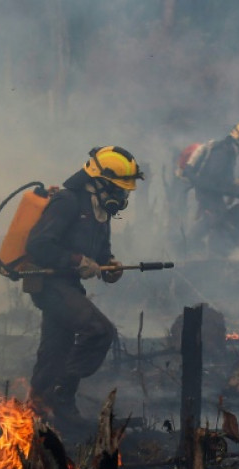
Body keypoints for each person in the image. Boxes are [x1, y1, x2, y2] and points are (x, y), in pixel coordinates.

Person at [25, 146, 143, 425]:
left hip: (69, 286)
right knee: (99, 331)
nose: (120, 197)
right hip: (50, 284)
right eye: (117, 189)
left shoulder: (101, 210)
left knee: (55, 350)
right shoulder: (67, 202)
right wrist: (75, 260)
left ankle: (40, 411)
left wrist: (109, 265)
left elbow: (101, 251)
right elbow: (38, 245)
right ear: (98, 181)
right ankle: (60, 394)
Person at [185, 121, 239, 256]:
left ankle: (190, 248)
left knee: (216, 219)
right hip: (208, 193)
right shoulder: (223, 153)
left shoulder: (228, 150)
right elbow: (214, 179)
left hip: (210, 193)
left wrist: (234, 184)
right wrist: (233, 184)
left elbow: (219, 179)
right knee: (217, 219)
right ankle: (192, 249)